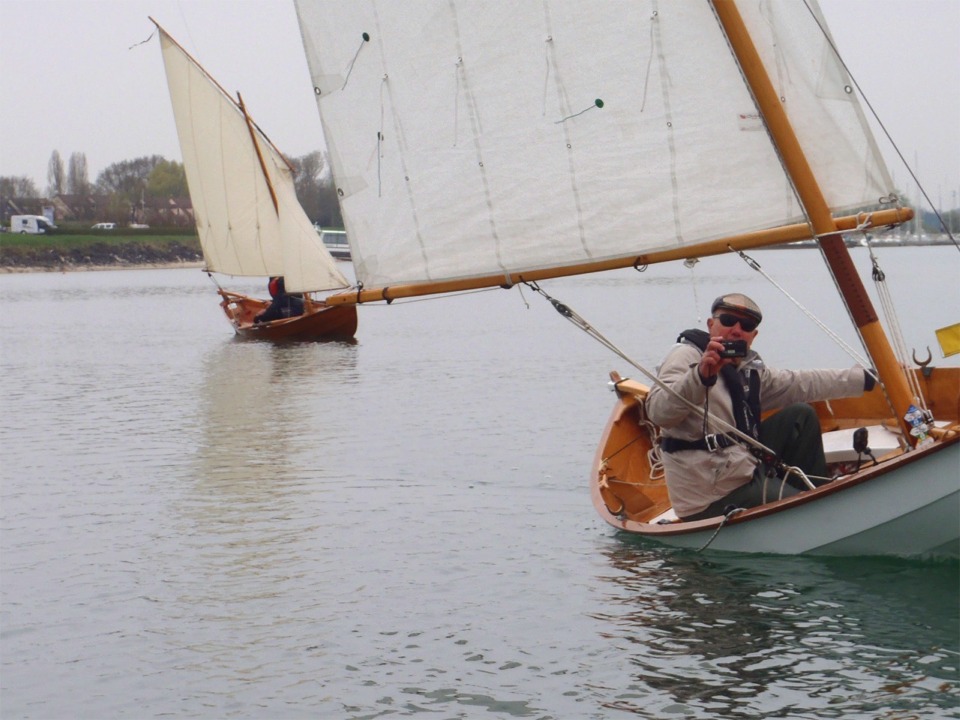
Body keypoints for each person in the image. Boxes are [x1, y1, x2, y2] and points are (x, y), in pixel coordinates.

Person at [645, 292, 876, 522]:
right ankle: (814, 511)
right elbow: (658, 412)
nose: (736, 329)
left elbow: (799, 382)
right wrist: (700, 376)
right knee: (812, 510)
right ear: (710, 324)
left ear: (753, 336)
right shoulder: (685, 356)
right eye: (727, 321)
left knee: (800, 415)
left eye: (746, 325)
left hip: (740, 466)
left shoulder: (746, 369)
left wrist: (867, 379)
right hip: (711, 493)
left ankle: (812, 495)